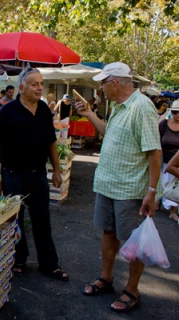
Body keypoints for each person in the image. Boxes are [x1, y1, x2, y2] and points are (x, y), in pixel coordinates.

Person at [76, 62, 161, 313]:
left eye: (103, 83)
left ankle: (132, 290)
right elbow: (108, 134)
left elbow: (154, 153)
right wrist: (90, 115)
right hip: (108, 184)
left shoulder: (142, 107)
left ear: (115, 83)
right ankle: (106, 278)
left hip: (130, 189)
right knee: (108, 233)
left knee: (133, 241)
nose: (100, 87)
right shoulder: (117, 107)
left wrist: (152, 192)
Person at [0, 67, 68, 281]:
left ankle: (49, 264)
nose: (39, 88)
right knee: (15, 220)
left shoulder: (43, 109)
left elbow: (52, 142)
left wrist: (57, 171)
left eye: (41, 83)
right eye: (34, 84)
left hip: (38, 175)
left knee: (42, 220)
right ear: (21, 88)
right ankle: (18, 259)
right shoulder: (7, 112)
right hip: (13, 175)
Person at [158, 100, 179, 221]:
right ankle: (157, 202)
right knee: (161, 183)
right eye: (175, 112)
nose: (177, 115)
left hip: (176, 163)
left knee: (174, 186)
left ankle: (173, 210)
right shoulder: (164, 124)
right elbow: (156, 139)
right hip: (163, 160)